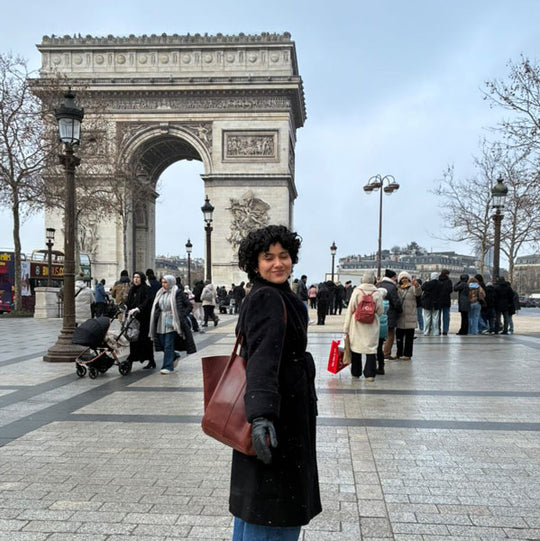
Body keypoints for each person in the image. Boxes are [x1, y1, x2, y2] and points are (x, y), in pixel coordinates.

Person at [231, 224, 321, 540]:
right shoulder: (269, 298)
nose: (278, 263)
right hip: (278, 422)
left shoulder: (268, 295)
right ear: (255, 263)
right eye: (268, 257)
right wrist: (261, 417)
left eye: (284, 256)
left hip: (276, 415)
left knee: (255, 509)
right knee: (274, 514)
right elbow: (262, 360)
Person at [149, 275, 196, 374]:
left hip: (173, 321)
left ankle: (168, 366)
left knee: (168, 344)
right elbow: (157, 306)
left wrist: (181, 315)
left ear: (171, 282)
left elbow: (189, 305)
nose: (163, 285)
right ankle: (174, 355)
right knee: (161, 342)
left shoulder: (178, 292)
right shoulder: (160, 293)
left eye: (165, 282)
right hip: (161, 320)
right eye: (162, 282)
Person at [343, 271, 384, 381]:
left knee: (356, 347)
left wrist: (346, 328)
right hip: (372, 325)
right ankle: (369, 374)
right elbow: (380, 311)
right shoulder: (377, 293)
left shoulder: (357, 291)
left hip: (357, 324)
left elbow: (350, 309)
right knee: (371, 349)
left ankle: (356, 372)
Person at [126, 271, 155, 369]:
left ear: (142, 278)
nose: (135, 279)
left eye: (138, 277)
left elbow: (148, 301)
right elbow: (128, 302)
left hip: (144, 319)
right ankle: (132, 359)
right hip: (134, 319)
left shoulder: (146, 289)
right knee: (133, 339)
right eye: (134, 277)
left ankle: (151, 360)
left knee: (145, 340)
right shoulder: (132, 290)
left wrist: (139, 308)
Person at [395, 271, 421, 360]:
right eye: (402, 278)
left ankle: (408, 354)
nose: (404, 280)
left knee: (409, 338)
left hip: (410, 315)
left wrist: (417, 285)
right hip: (400, 316)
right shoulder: (397, 288)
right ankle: (399, 353)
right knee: (399, 337)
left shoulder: (412, 288)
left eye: (406, 278)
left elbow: (418, 293)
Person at [379, 269, 402, 359]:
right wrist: (400, 310)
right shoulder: (392, 287)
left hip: (380, 313)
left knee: (380, 336)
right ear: (392, 277)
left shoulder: (380, 285)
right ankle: (386, 353)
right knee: (390, 334)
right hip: (390, 313)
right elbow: (395, 301)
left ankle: (379, 353)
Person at [377, 291, 389, 375]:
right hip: (384, 328)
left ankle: (377, 366)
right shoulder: (387, 304)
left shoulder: (379, 304)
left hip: (377, 328)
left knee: (375, 349)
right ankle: (381, 366)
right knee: (380, 347)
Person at [438, 269, 453, 335]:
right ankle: (445, 330)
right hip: (446, 300)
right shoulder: (449, 281)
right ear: (447, 274)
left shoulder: (437, 280)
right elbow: (450, 290)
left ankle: (438, 329)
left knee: (438, 317)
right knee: (446, 316)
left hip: (438, 300)